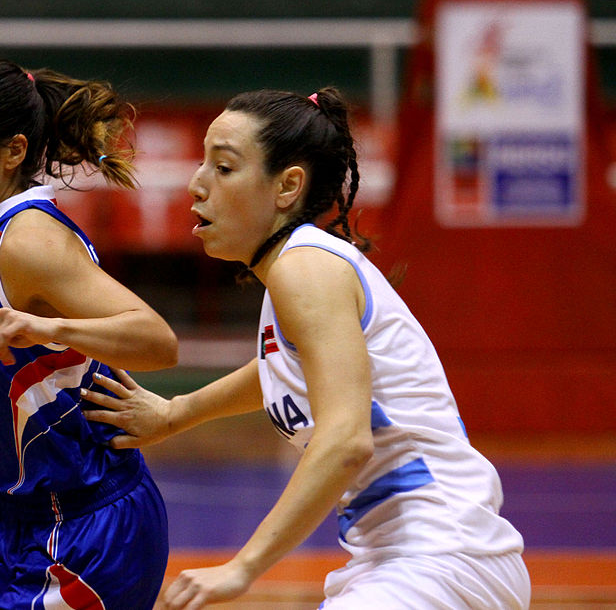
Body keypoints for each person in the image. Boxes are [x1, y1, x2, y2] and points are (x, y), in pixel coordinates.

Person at [82, 88, 531, 609]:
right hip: (409, 560)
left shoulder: (305, 269)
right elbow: (276, 369)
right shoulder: (297, 275)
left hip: (439, 559)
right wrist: (175, 413)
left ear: (288, 186)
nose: (197, 183)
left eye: (224, 168)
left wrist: (241, 567)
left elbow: (346, 441)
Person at [0, 53, 178, 608]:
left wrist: (49, 324)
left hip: (87, 526)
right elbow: (20, 375)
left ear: (13, 151)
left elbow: (157, 340)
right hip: (9, 515)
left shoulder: (27, 241)